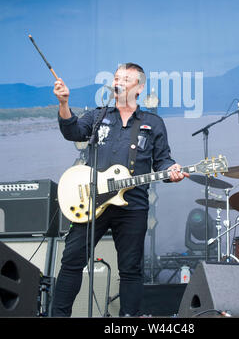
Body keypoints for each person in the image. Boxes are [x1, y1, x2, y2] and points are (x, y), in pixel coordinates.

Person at [51, 62, 188, 317]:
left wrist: (173, 172)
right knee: (71, 261)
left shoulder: (153, 123)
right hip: (92, 200)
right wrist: (63, 104)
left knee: (131, 269)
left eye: (126, 78)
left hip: (132, 204)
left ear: (140, 87)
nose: (119, 81)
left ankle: (128, 321)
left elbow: (163, 162)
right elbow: (73, 131)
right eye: (116, 77)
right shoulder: (99, 116)